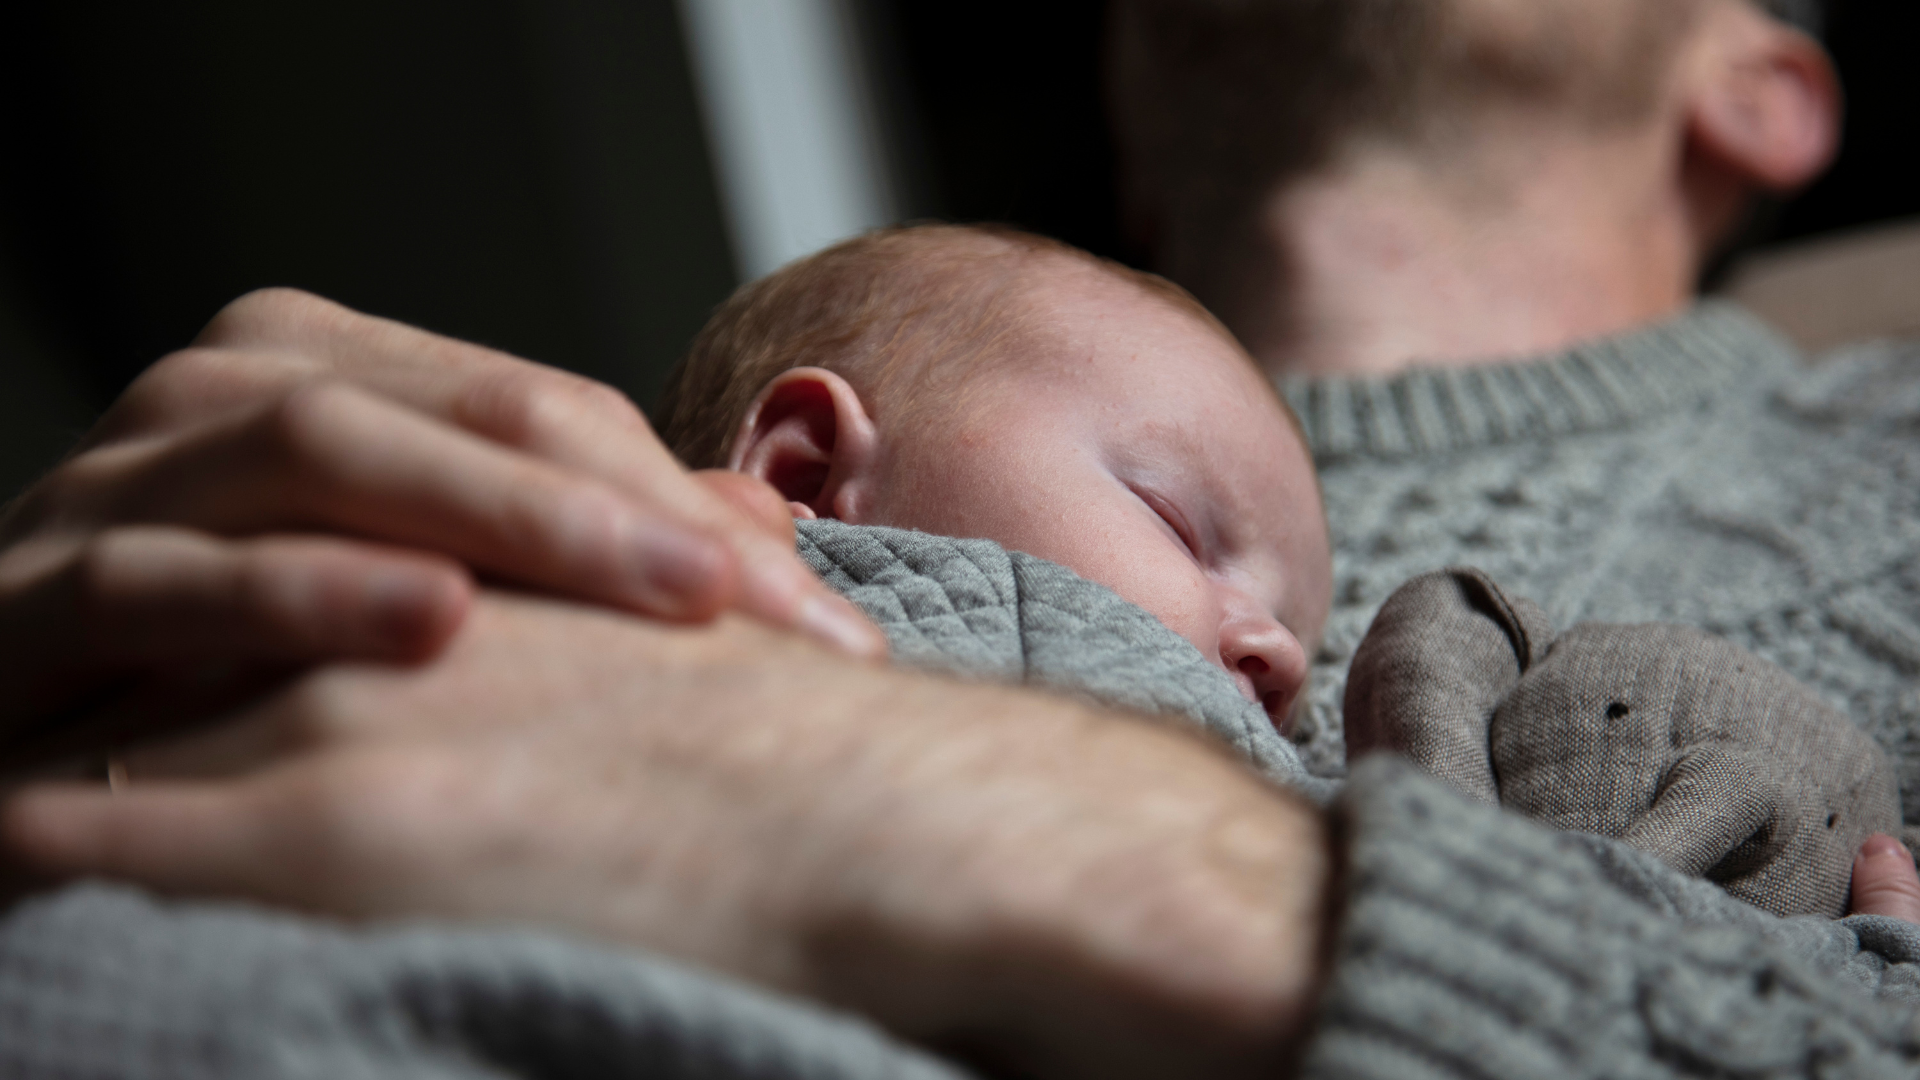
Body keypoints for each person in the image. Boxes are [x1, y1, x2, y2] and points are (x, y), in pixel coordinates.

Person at [4, 290, 1920, 1079]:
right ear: (804, 466)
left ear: (1754, 94)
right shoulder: (717, 548)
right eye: (1183, 521)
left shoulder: (1869, 449)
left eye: (1299, 640)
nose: (1277, 654)